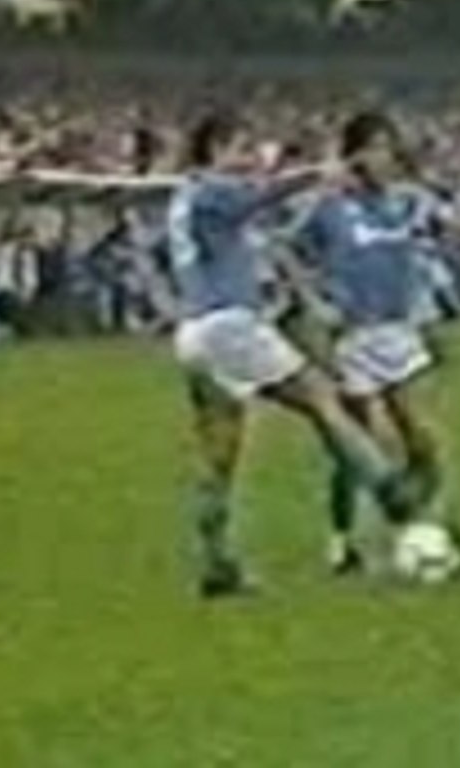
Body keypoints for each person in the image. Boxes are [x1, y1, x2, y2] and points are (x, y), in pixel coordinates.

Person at [167, 113, 424, 599]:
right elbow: (258, 196)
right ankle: (391, 490)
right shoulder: (212, 191)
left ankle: (216, 565)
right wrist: (315, 173)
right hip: (231, 324)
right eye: (241, 148)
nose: (249, 159)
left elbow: (253, 218)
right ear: (216, 148)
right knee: (324, 399)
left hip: (195, 333)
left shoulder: (186, 197)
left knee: (218, 455)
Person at [285, 112, 460, 576]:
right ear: (355, 155)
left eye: (389, 148)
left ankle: (425, 523)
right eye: (377, 148)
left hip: (398, 329)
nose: (386, 158)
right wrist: (313, 301)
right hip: (353, 336)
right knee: (361, 443)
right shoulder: (329, 207)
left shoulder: (402, 202)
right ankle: (343, 540)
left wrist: (426, 322)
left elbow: (419, 254)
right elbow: (284, 248)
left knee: (421, 435)